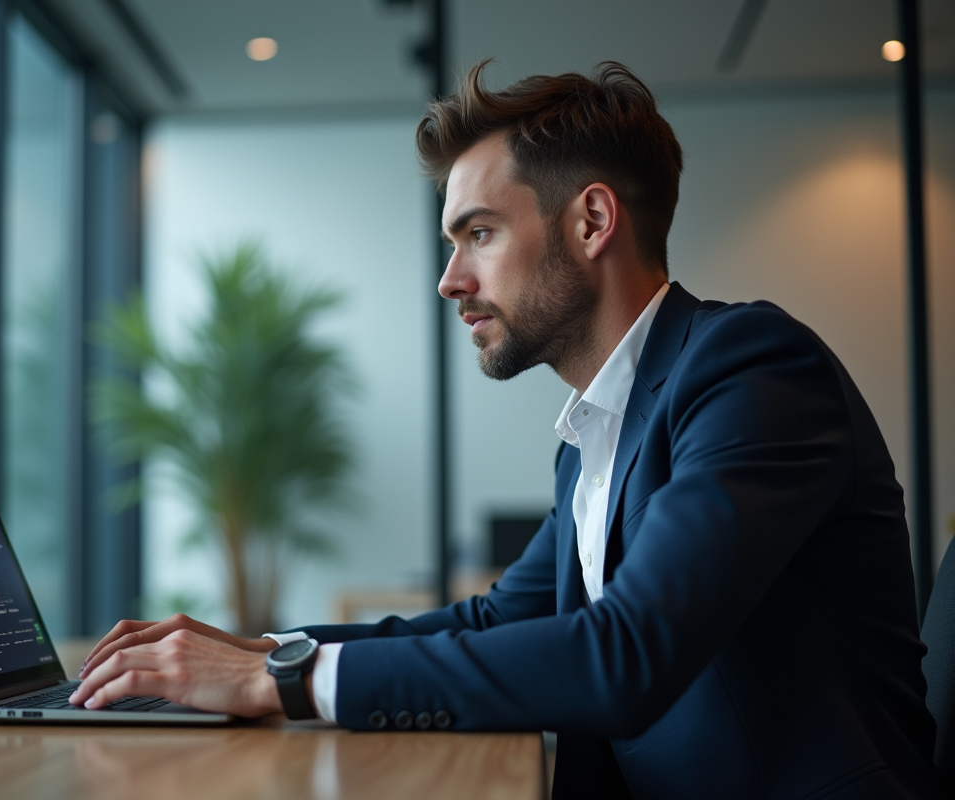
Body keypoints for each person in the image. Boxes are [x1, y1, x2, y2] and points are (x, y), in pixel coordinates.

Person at [70, 61, 943, 799]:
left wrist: (280, 683)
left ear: (592, 222)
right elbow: (493, 621)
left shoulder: (752, 368)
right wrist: (259, 649)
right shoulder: (593, 433)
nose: (450, 281)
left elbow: (628, 652)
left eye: (478, 234)